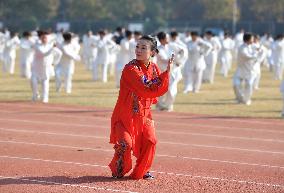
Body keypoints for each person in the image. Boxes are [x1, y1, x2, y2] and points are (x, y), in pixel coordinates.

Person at [109, 35, 172, 180]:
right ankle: (119, 170)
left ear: (152, 52)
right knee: (125, 144)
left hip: (144, 115)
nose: (138, 50)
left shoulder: (154, 68)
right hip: (125, 115)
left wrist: (166, 73)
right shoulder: (130, 68)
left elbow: (155, 88)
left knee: (151, 141)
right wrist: (166, 74)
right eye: (137, 46)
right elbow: (146, 88)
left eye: (144, 47)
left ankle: (142, 171)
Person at [31, 31, 62, 103]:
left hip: (46, 68)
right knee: (33, 82)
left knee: (45, 82)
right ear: (40, 38)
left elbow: (59, 53)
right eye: (42, 37)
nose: (44, 39)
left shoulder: (50, 46)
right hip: (36, 68)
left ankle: (45, 97)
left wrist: (54, 62)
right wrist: (52, 48)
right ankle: (35, 95)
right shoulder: (37, 45)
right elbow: (44, 54)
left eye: (45, 38)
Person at [233, 33, 262, 105]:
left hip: (250, 71)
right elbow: (248, 56)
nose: (253, 40)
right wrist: (256, 54)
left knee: (249, 84)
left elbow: (261, 49)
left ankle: (246, 100)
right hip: (241, 70)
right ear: (247, 40)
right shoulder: (242, 48)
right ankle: (240, 99)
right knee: (236, 84)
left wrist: (259, 51)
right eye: (252, 39)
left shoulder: (252, 45)